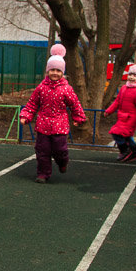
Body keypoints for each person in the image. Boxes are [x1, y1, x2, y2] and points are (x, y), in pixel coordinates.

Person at [19, 44, 87, 183]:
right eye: (52, 70)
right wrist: (26, 115)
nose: (55, 73)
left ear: (62, 73)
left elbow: (75, 104)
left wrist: (78, 117)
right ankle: (43, 174)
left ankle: (62, 162)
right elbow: (32, 103)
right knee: (42, 151)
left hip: (59, 125)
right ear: (47, 71)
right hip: (43, 124)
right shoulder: (41, 88)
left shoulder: (66, 89)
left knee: (60, 150)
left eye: (58, 70)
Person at [104, 63, 136, 162]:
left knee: (116, 132)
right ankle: (134, 151)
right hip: (122, 116)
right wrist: (108, 111)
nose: (131, 77)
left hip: (131, 118)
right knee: (126, 136)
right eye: (130, 75)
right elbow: (117, 102)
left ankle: (125, 150)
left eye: (135, 76)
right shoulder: (124, 88)